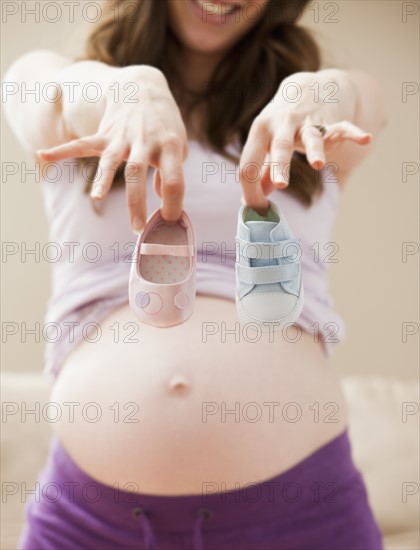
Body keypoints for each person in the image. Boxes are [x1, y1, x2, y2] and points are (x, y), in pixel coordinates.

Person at [4, 1, 386, 548]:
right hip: (91, 522)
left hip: (305, 512)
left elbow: (359, 99)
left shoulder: (316, 131)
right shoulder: (60, 87)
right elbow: (37, 90)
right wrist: (124, 91)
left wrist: (316, 94)